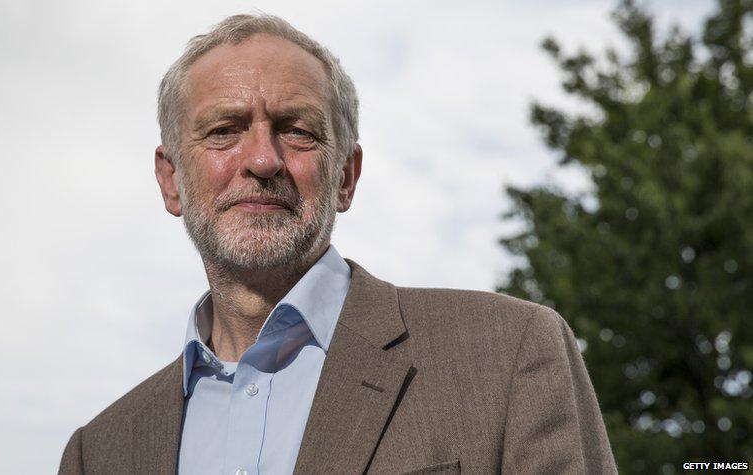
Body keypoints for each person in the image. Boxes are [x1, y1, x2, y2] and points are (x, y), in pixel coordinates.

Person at [58, 13, 617, 475]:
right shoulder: (98, 454)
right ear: (171, 180)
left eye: (297, 130)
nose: (263, 160)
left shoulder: (506, 354)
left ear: (346, 177)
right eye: (224, 130)